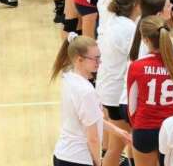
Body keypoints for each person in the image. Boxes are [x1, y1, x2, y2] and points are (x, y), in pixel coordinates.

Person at [51, 33, 130, 166]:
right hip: (78, 159)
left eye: (99, 57)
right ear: (79, 59)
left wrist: (118, 131)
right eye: (95, 59)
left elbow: (93, 118)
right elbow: (92, 138)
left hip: (62, 155)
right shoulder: (86, 92)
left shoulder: (69, 76)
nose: (99, 62)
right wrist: (98, 163)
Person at [127, 15, 173, 166]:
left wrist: (138, 126)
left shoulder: (137, 66)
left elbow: (131, 107)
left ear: (145, 39)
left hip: (144, 129)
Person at [97, 0, 143, 166]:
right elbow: (138, 59)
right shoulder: (127, 29)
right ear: (135, 5)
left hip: (108, 88)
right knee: (116, 147)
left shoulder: (117, 20)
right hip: (116, 94)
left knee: (125, 141)